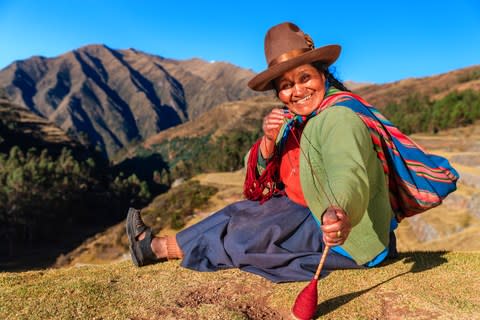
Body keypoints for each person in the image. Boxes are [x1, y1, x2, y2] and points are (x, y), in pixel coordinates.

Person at [126, 22, 458, 283]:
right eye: (285, 85)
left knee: (246, 235)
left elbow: (349, 172)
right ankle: (155, 247)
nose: (297, 91)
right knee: (237, 213)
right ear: (278, 92)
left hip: (341, 231)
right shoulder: (293, 121)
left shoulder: (339, 117)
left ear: (323, 75)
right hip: (303, 212)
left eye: (304, 78)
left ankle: (156, 248)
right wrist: (269, 142)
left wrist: (339, 212)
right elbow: (260, 175)